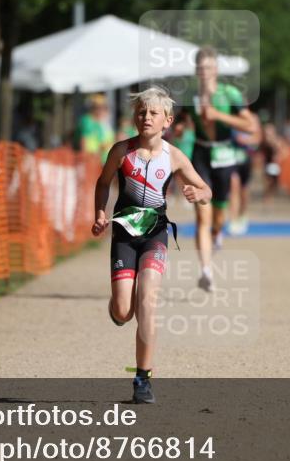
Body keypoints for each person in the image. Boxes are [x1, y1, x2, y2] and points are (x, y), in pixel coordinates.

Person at [92, 86, 211, 404]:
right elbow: (103, 183)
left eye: (153, 113)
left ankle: (142, 379)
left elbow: (205, 188)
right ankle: (117, 309)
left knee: (148, 302)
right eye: (141, 112)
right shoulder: (120, 151)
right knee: (123, 310)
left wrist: (198, 194)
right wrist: (100, 213)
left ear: (167, 120)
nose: (146, 117)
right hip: (124, 235)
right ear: (134, 117)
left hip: (155, 234)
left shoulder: (174, 156)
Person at [189, 46, 255, 291]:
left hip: (225, 155)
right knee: (201, 217)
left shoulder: (231, 94)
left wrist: (218, 116)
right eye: (201, 68)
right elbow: (183, 122)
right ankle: (206, 271)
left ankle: (218, 233)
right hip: (200, 155)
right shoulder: (191, 96)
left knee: (218, 216)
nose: (205, 72)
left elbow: (250, 126)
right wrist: (178, 129)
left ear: (216, 69)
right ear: (196, 70)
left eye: (209, 67)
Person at [229, 108, 262, 235]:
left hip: (246, 159)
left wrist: (245, 140)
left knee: (244, 190)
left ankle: (243, 215)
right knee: (234, 188)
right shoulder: (230, 116)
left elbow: (258, 138)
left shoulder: (253, 118)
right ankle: (233, 219)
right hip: (232, 159)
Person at [76, 93, 116, 161]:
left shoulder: (104, 122)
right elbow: (83, 141)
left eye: (104, 107)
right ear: (92, 108)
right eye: (97, 107)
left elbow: (109, 140)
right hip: (92, 160)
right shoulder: (87, 121)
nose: (101, 110)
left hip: (105, 160)